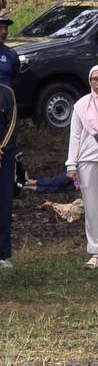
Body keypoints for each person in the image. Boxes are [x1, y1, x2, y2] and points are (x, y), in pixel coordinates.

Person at [0, 76, 14, 268]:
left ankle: (3, 255)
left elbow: (12, 123)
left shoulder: (6, 92)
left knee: (3, 206)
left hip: (4, 156)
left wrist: (1, 148)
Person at [0, 16, 17, 88]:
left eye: (6, 28)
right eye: (0, 28)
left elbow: (15, 78)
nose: (4, 32)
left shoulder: (11, 54)